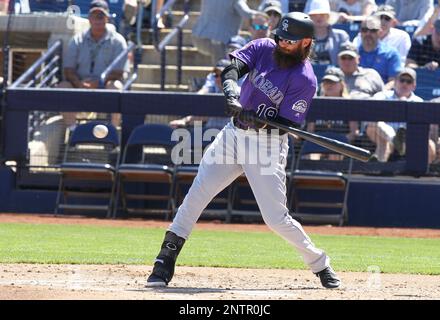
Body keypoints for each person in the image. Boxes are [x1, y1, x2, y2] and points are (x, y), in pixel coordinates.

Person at [146, 12, 341, 289]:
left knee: (275, 219)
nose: (283, 43)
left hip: (267, 146)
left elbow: (284, 126)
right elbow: (233, 69)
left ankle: (320, 264)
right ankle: (164, 260)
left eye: (290, 40)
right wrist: (231, 93)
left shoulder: (305, 79)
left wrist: (259, 121)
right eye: (281, 37)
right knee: (197, 194)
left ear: (306, 42)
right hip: (232, 135)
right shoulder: (263, 48)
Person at [34, 0, 128, 165]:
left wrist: (98, 82)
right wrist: (80, 84)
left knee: (116, 87)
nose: (98, 19)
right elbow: (68, 69)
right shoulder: (78, 39)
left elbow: (120, 72)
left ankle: (112, 136)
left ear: (107, 18)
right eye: (94, 15)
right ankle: (74, 133)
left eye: (101, 16)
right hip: (80, 87)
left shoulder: (118, 40)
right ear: (89, 18)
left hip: (104, 88)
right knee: (63, 86)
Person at [366, 68, 427, 162]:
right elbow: (369, 114)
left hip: (406, 139)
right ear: (395, 82)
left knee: (384, 142)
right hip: (377, 132)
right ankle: (394, 139)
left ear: (414, 86)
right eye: (402, 80)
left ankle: (377, 166)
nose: (404, 84)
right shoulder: (382, 96)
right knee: (376, 124)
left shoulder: (419, 102)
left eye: (409, 81)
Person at [307, 67, 359, 156]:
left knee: (334, 154)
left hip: (339, 146)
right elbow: (310, 131)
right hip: (318, 143)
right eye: (326, 82)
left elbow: (354, 133)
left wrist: (340, 142)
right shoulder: (316, 104)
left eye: (333, 82)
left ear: (342, 84)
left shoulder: (349, 104)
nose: (329, 85)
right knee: (313, 154)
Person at [191, 0, 259, 65]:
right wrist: (265, 15)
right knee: (222, 69)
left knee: (222, 67)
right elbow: (247, 14)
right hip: (219, 41)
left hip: (197, 37)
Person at [357, 16, 402, 89]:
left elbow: (393, 81)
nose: (368, 34)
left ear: (380, 32)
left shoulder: (390, 53)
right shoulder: (353, 53)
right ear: (360, 32)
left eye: (373, 30)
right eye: (364, 30)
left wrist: (380, 94)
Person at [307, 0, 350, 66]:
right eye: (315, 15)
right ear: (310, 17)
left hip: (334, 75)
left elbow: (346, 59)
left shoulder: (341, 36)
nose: (318, 17)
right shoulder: (302, 37)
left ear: (328, 17)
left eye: (322, 14)